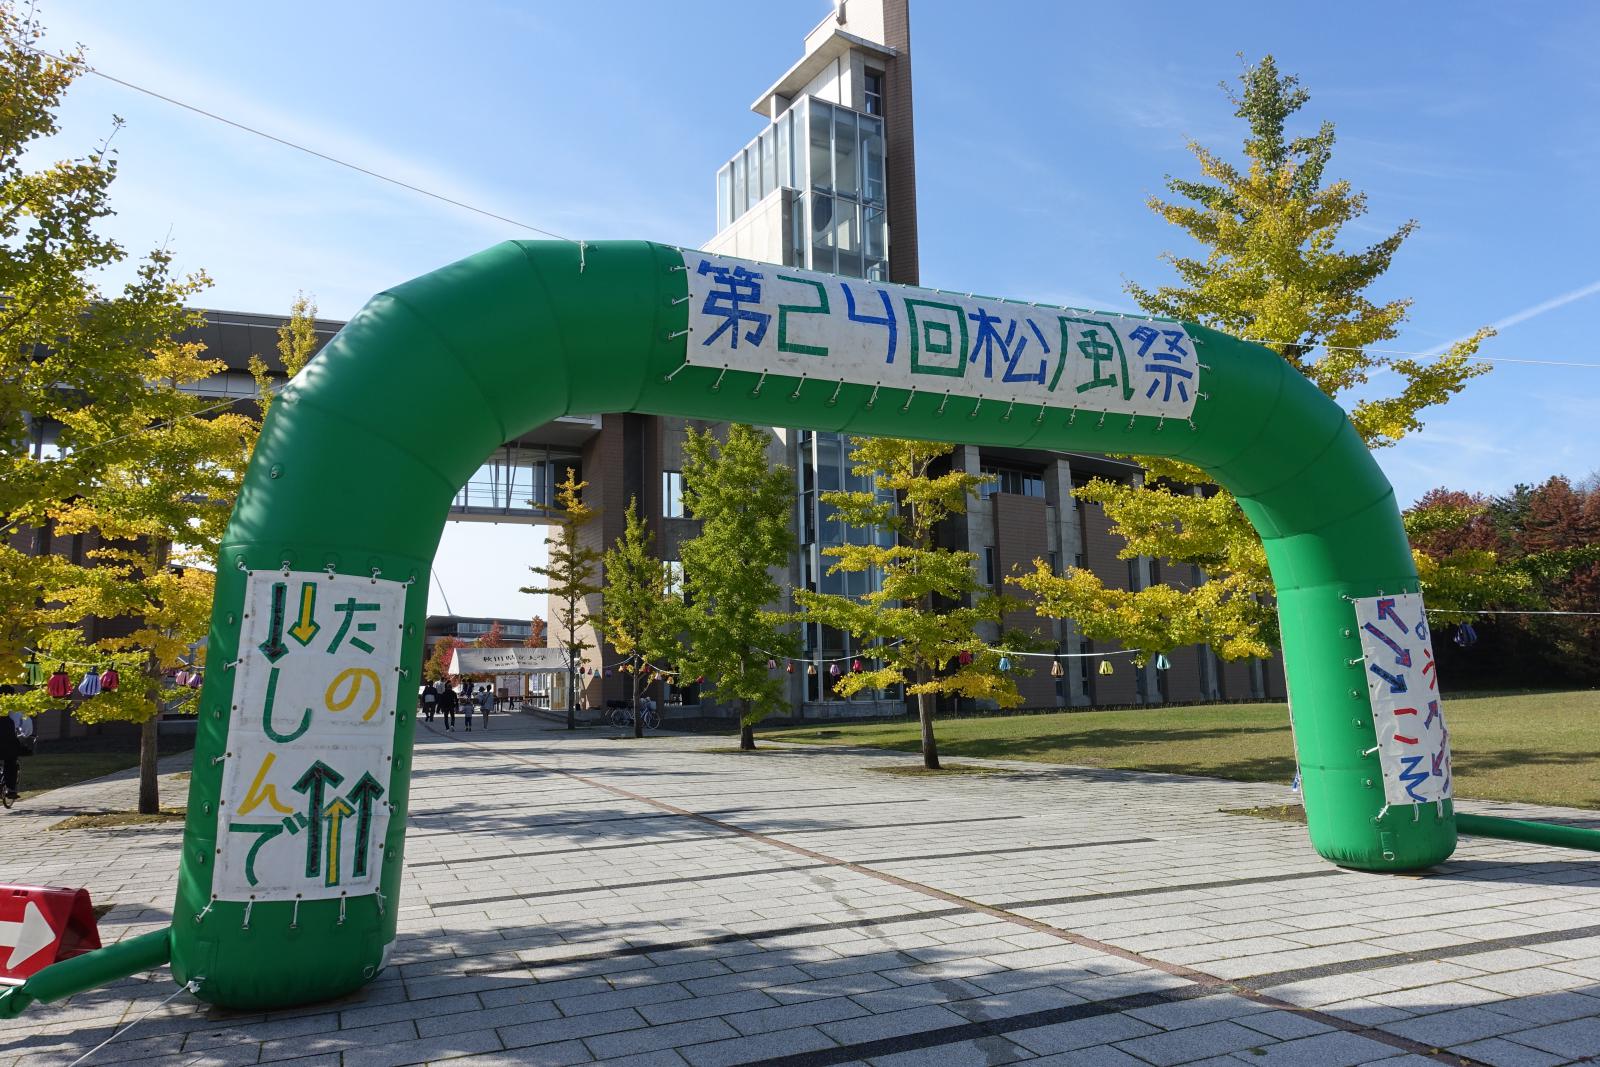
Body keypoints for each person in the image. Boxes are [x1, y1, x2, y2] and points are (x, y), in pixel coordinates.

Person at [1, 689, 32, 807]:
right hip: (7, 743)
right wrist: (25, 735)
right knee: (10, 762)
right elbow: (27, 727)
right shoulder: (17, 708)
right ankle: (10, 789)